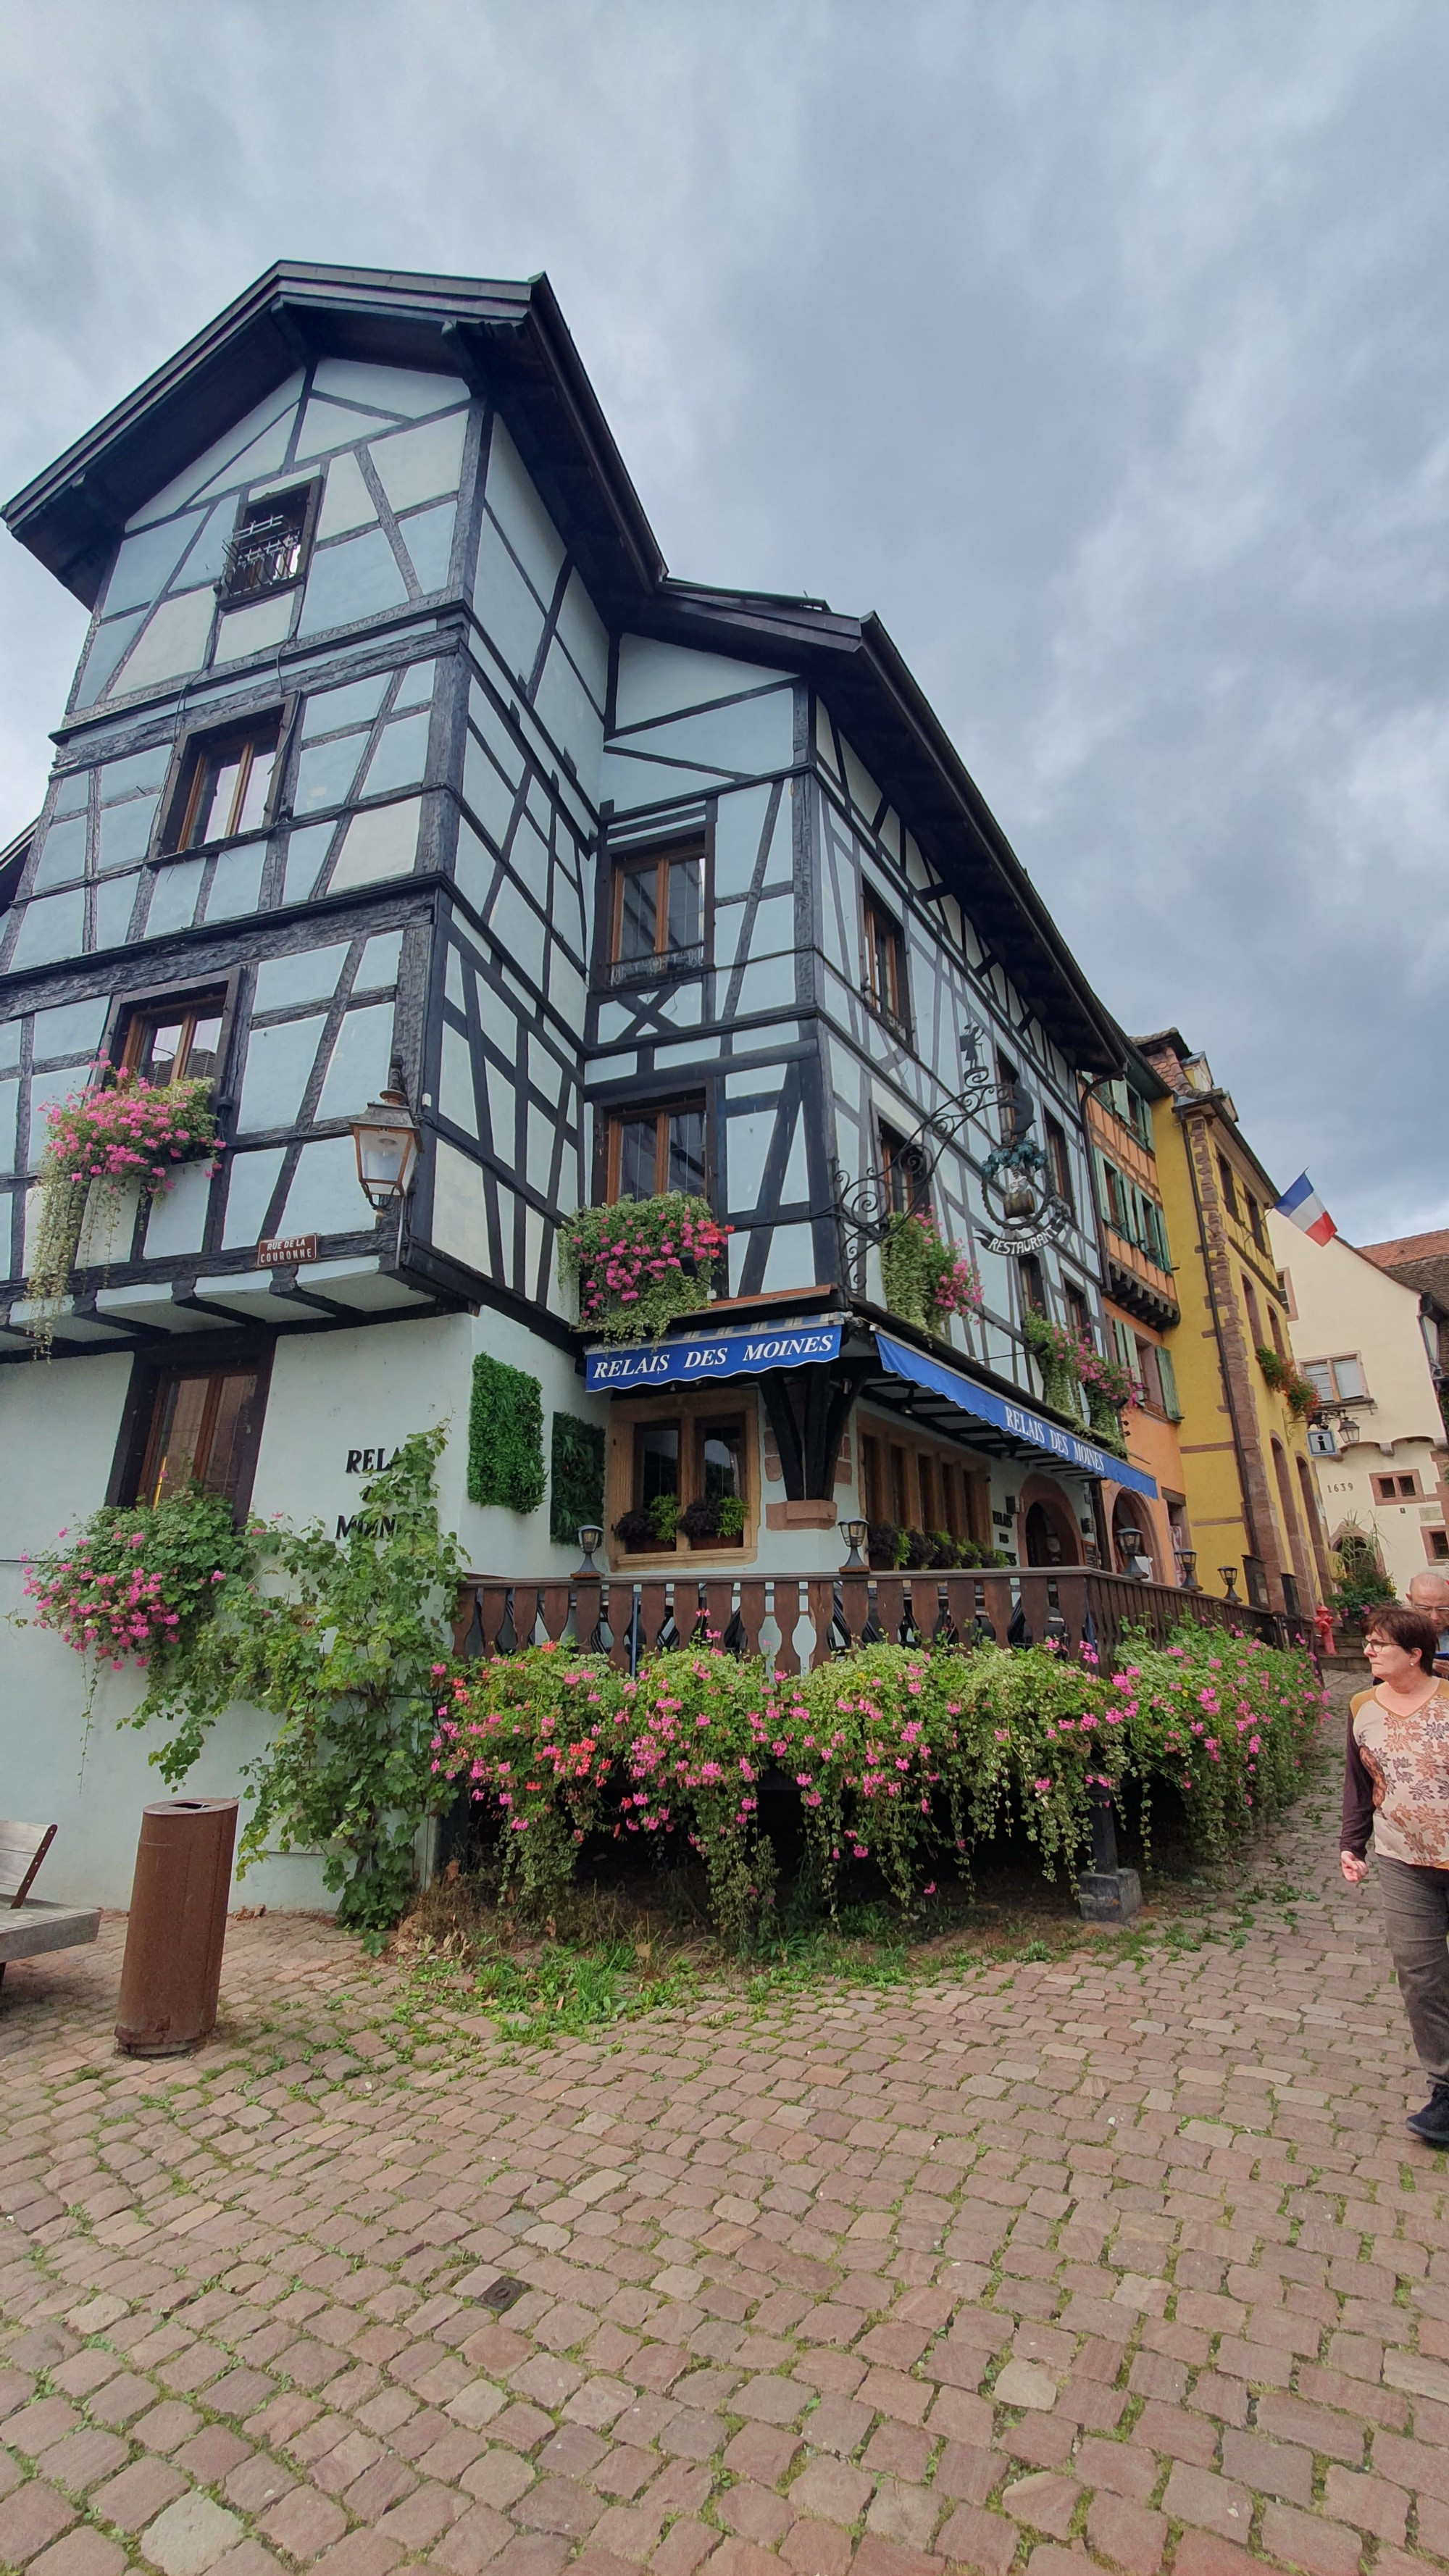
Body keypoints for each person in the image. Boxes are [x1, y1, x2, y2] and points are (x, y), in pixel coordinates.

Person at [1340, 1602, 1449, 2144]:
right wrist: (1351, 1843)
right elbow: (1358, 1783)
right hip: (1402, 1858)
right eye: (1367, 1642)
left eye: (1379, 1643)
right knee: (1420, 1975)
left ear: (1415, 1653)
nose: (1368, 1650)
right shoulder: (1362, 1705)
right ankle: (1446, 2087)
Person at [1407, 1572, 1449, 1680]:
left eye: (1442, 1609)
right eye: (1425, 1609)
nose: (1435, 1617)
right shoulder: (1398, 1635)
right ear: (1410, 1601)